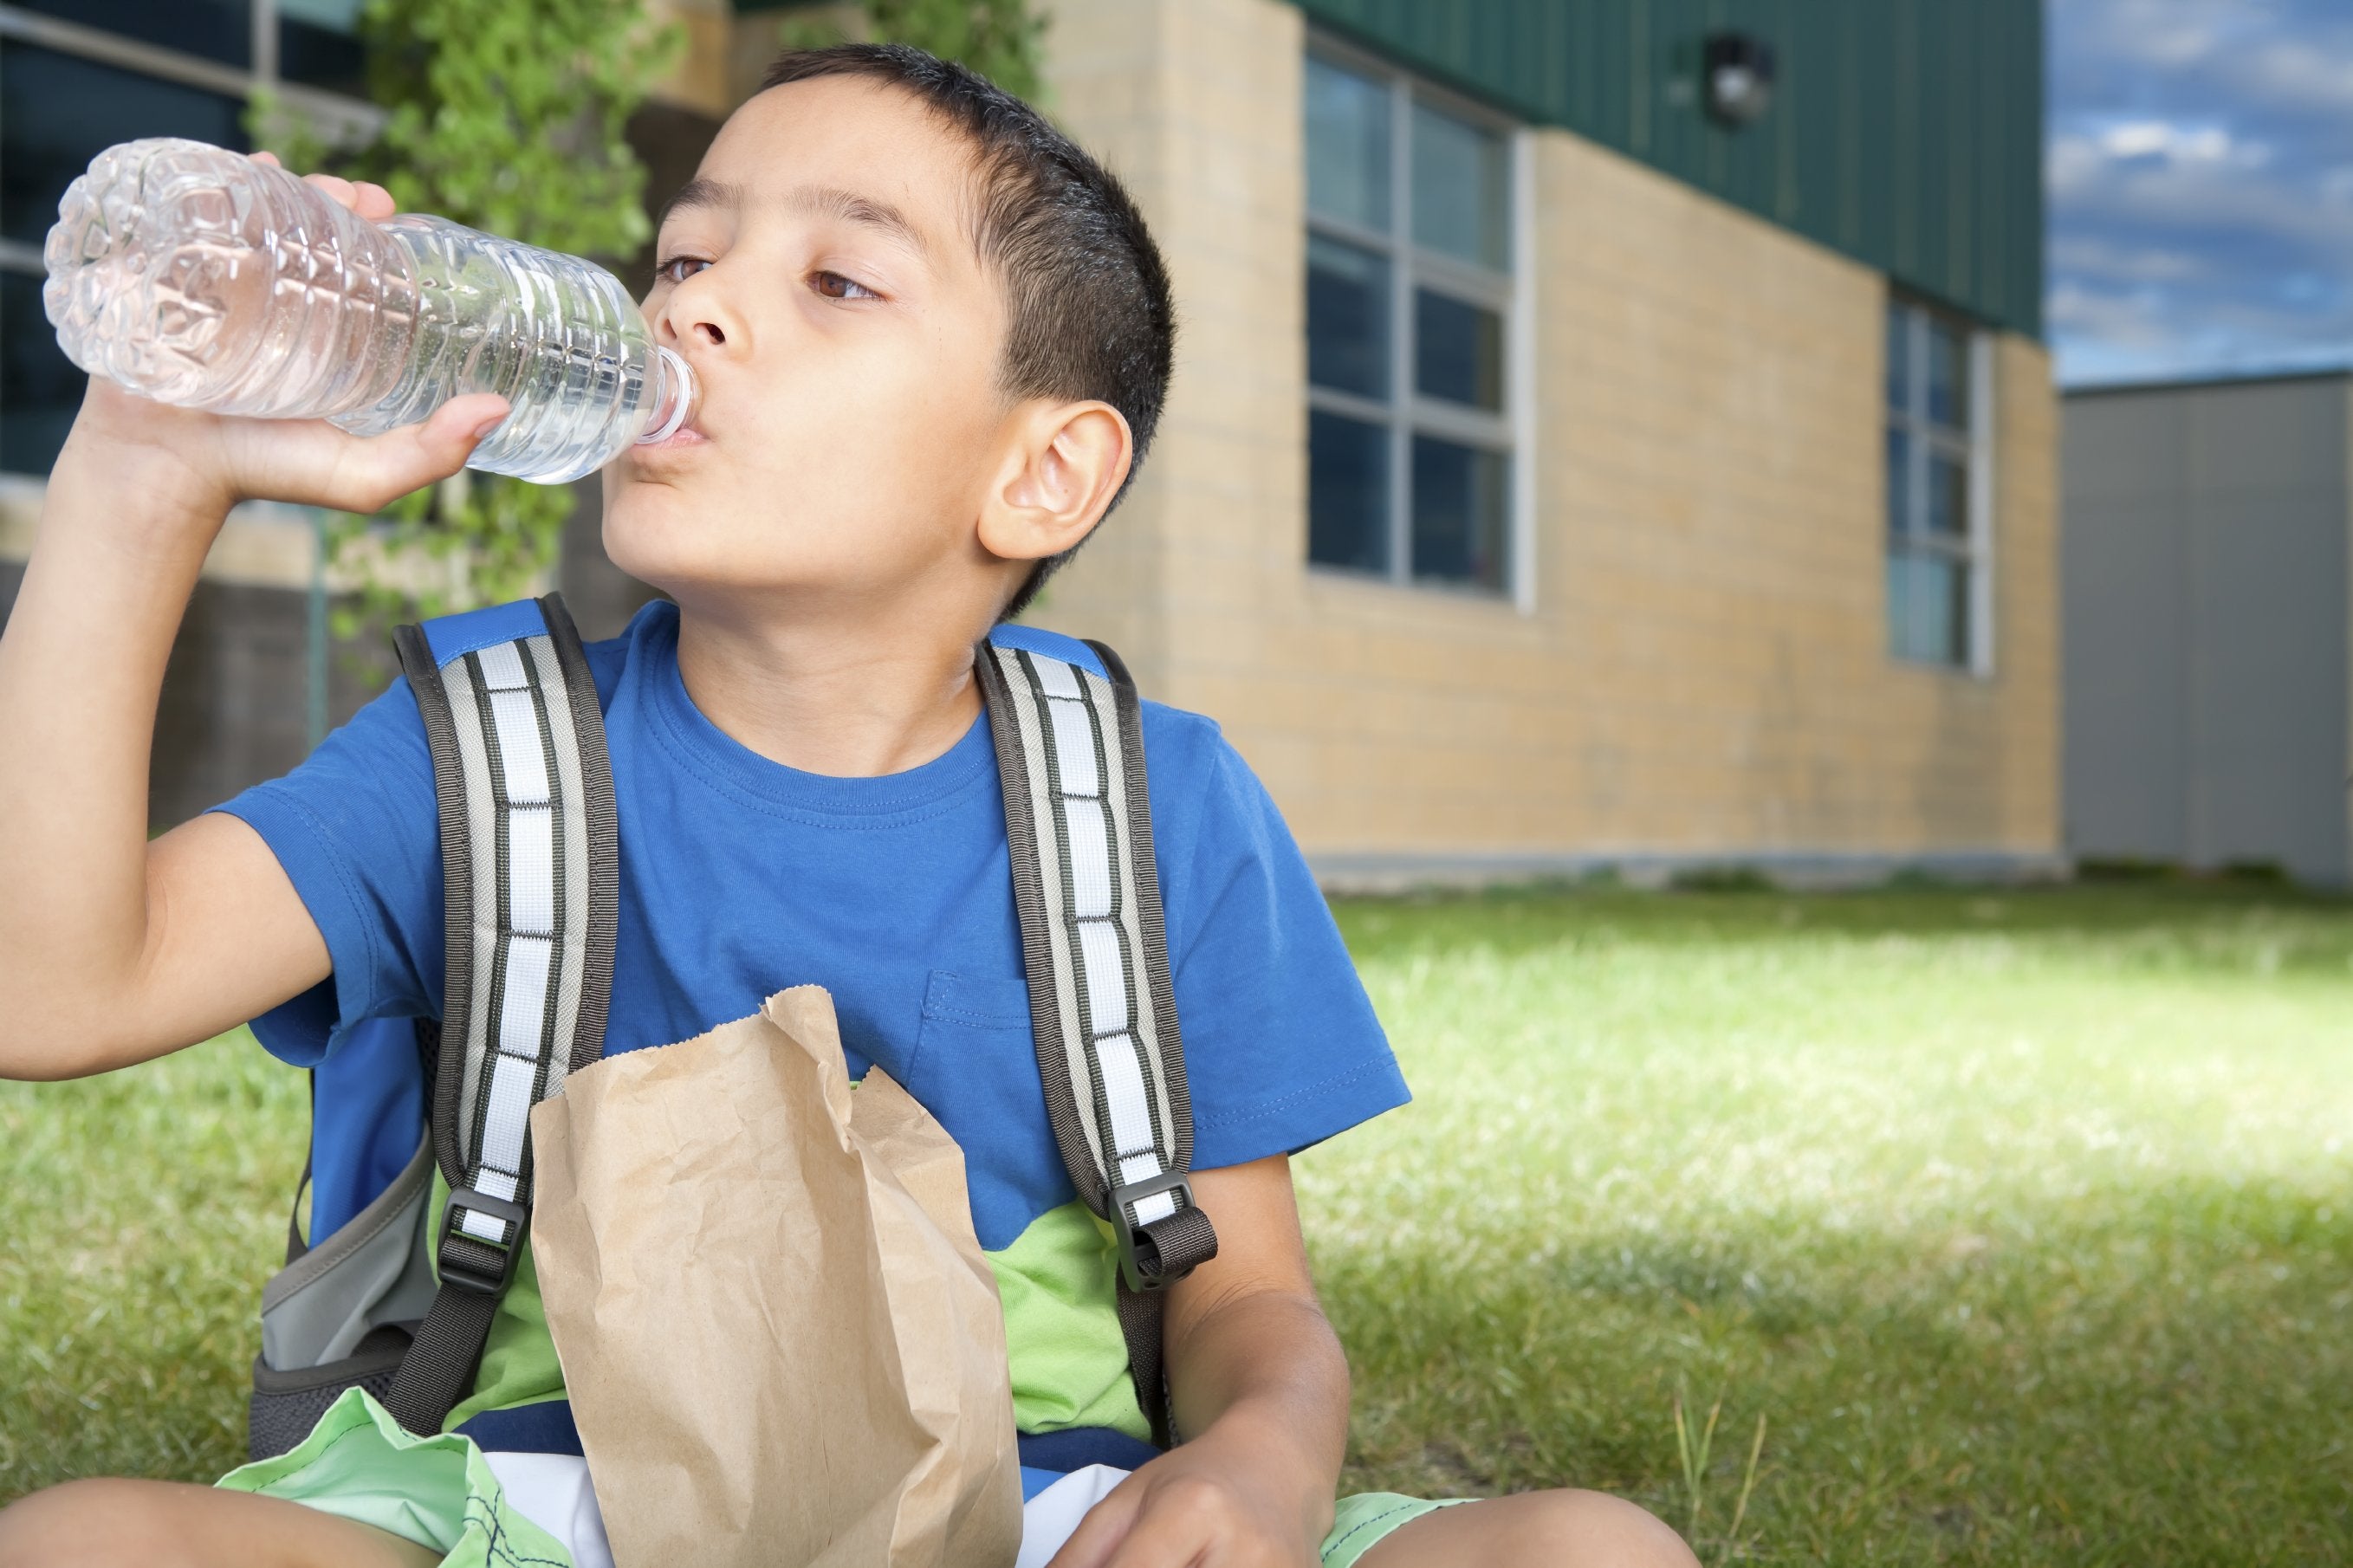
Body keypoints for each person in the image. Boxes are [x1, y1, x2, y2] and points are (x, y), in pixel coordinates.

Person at [0, 44, 1697, 1568]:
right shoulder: (480, 758)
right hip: (532, 1502)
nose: (690, 308)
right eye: (683, 253)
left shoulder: (1152, 803)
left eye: (833, 278)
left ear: (1041, 470)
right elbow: (45, 985)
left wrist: (1255, 1458)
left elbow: (1242, 1291)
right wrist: (144, 470)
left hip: (1045, 1505)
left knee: (1590, 1551)